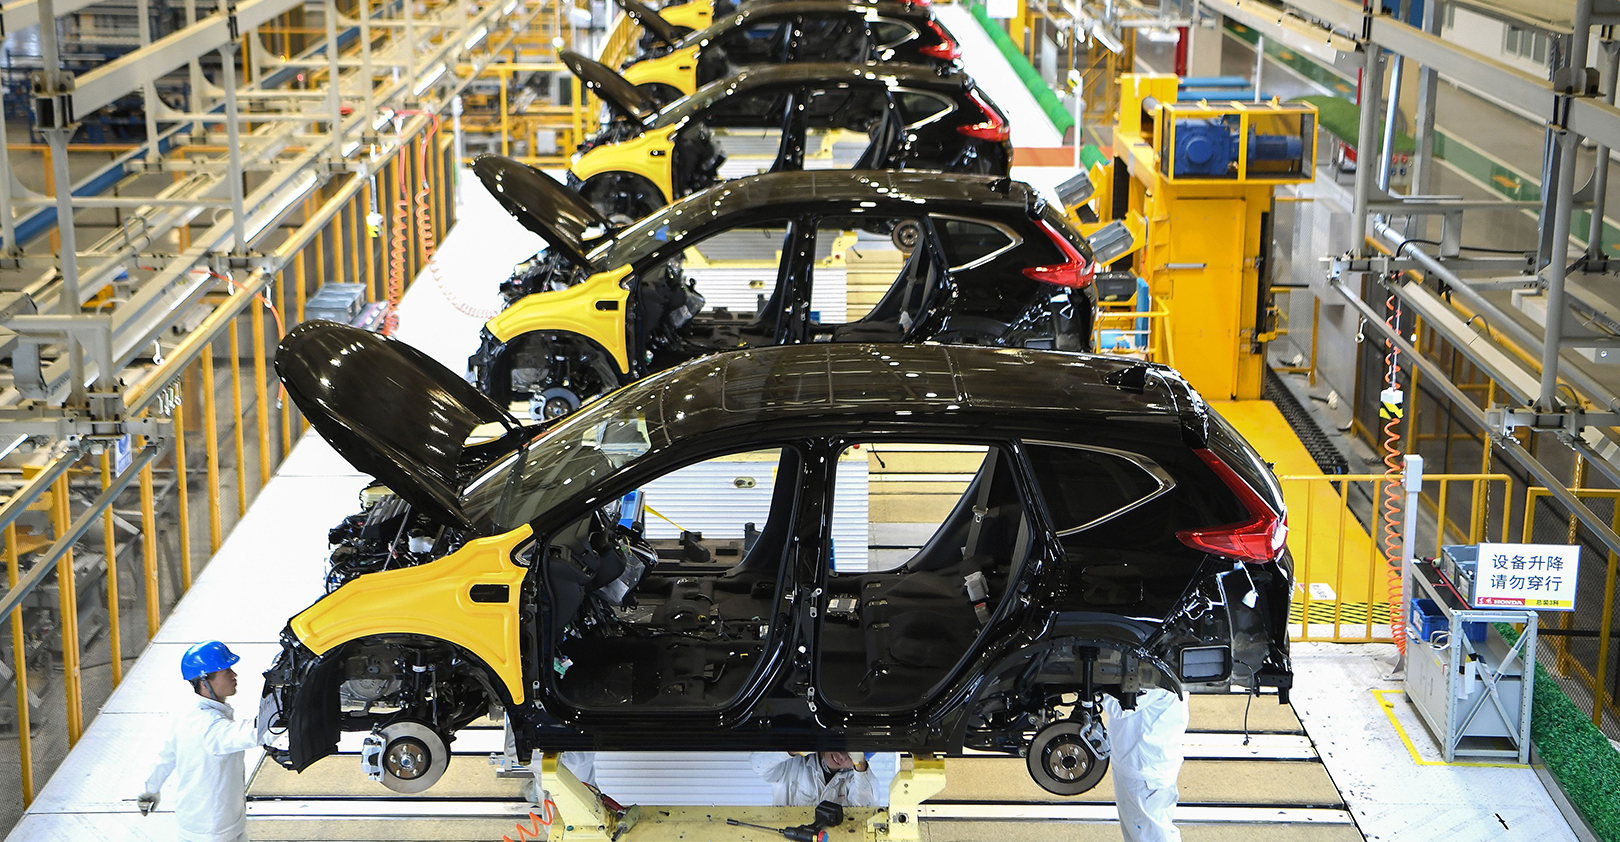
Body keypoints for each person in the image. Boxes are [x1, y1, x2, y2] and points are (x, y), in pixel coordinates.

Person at [138, 641, 265, 842]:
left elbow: (166, 757)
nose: (234, 675)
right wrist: (282, 722)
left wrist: (149, 790)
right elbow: (251, 734)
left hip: (205, 822)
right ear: (205, 682)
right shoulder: (209, 726)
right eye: (226, 671)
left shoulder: (187, 715)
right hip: (215, 830)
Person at [1100, 687, 1189, 842]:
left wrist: (1087, 684)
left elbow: (1119, 707)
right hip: (1143, 765)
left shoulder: (1154, 682)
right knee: (1143, 834)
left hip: (1142, 772)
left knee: (1152, 836)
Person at [750, 751, 880, 807]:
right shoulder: (792, 763)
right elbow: (757, 764)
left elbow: (867, 807)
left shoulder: (857, 781)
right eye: (839, 745)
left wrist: (860, 767)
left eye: (850, 754)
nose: (841, 755)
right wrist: (792, 750)